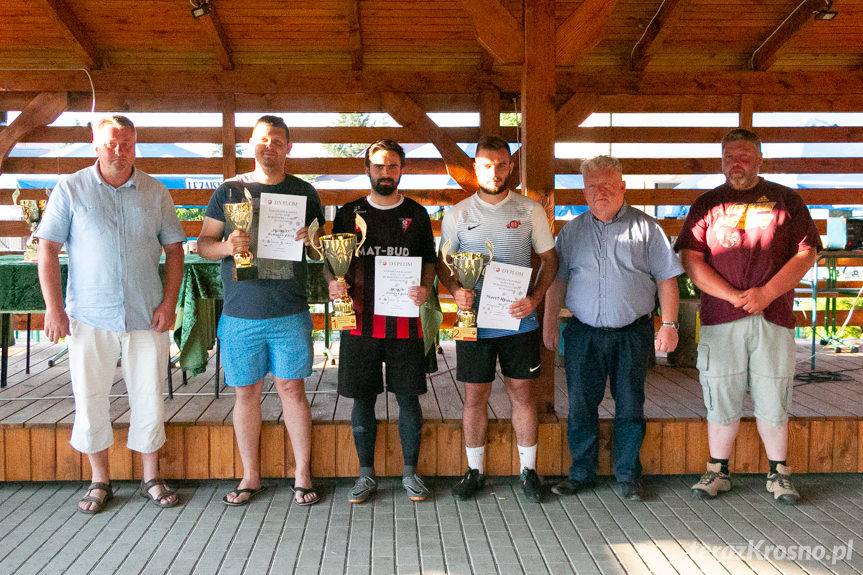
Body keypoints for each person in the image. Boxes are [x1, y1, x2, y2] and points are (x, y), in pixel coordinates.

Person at [36, 115, 185, 513]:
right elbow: (47, 249)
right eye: (112, 143)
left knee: (150, 397)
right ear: (95, 144)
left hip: (146, 314)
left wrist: (169, 303)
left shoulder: (155, 191)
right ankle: (99, 480)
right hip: (88, 315)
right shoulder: (70, 188)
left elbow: (175, 250)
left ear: (137, 144)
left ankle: (151, 477)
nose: (120, 151)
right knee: (89, 398)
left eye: (128, 143)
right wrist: (53, 308)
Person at [675, 128, 821, 503]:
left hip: (773, 318)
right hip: (721, 319)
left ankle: (779, 473)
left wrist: (766, 294)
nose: (734, 164)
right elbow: (690, 259)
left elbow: (807, 254)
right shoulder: (706, 204)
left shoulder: (787, 201)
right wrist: (733, 296)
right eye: (728, 157)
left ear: (759, 159)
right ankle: (716, 471)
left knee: (775, 393)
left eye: (742, 156)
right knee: (720, 393)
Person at [198, 115, 324, 506]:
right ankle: (250, 475)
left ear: (289, 146)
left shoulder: (305, 192)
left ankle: (303, 473)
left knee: (292, 390)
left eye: (277, 140)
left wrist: (312, 239)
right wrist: (227, 246)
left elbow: (322, 250)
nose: (269, 145)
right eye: (262, 139)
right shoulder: (228, 191)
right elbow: (203, 244)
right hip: (240, 313)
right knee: (246, 394)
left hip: (289, 310)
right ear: (250, 144)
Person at [543, 155, 683, 501]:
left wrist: (669, 324)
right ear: (583, 191)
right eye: (592, 186)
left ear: (622, 186)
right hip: (582, 333)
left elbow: (667, 279)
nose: (599, 192)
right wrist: (548, 324)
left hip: (632, 333)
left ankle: (627, 475)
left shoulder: (647, 229)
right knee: (580, 405)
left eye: (607, 185)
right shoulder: (571, 232)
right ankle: (581, 473)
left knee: (631, 405)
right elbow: (557, 283)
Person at [437, 135, 558, 503]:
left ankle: (529, 470)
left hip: (517, 319)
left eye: (502, 164)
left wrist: (535, 298)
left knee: (523, 393)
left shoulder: (529, 210)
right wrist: (456, 290)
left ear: (510, 167)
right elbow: (444, 266)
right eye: (487, 164)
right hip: (474, 321)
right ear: (475, 167)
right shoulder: (457, 213)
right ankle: (474, 470)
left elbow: (550, 260)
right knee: (475, 396)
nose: (495, 171)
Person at [328, 140, 437, 503]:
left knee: (409, 398)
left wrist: (425, 288)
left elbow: (429, 263)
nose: (385, 172)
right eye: (379, 166)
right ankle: (365, 475)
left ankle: (410, 472)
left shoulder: (417, 215)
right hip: (360, 322)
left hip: (404, 323)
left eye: (392, 166)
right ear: (367, 170)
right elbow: (333, 261)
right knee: (362, 398)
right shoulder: (348, 213)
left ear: (402, 169)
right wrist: (333, 282)